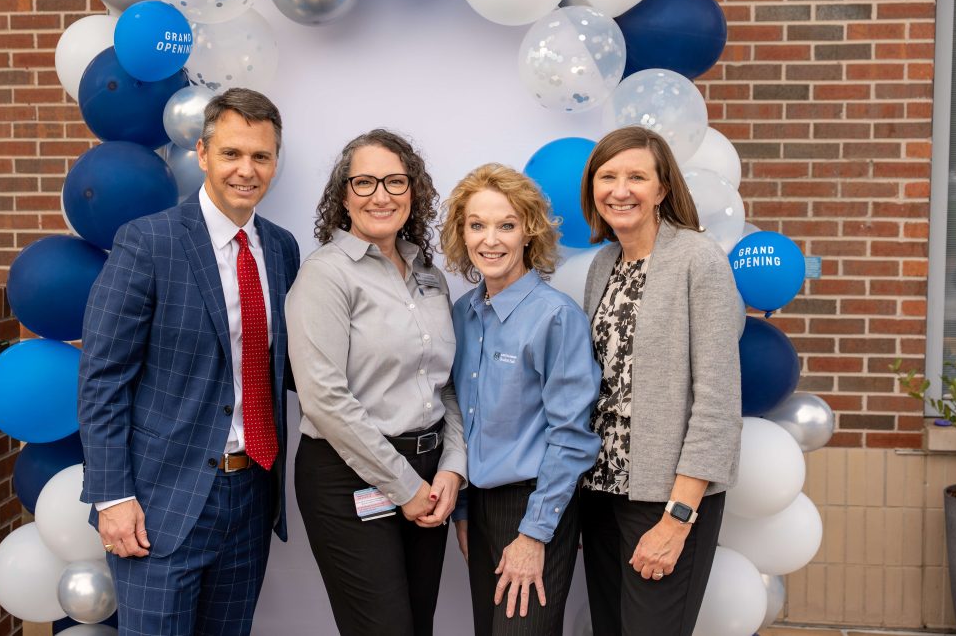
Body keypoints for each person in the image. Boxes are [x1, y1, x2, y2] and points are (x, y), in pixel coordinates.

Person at [78, 88, 299, 636]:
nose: (246, 170)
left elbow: (289, 367)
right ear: (202, 154)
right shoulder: (147, 243)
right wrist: (114, 497)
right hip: (158, 503)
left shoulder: (281, 249)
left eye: (261, 156)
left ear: (275, 163)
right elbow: (103, 378)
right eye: (231, 153)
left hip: (250, 495)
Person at [285, 129, 467, 636]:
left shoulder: (429, 273)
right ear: (343, 195)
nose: (380, 196)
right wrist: (404, 485)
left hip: (430, 474)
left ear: (414, 191)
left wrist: (452, 466)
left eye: (394, 181)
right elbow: (323, 401)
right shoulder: (326, 275)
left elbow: (445, 383)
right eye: (363, 183)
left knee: (417, 625)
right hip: (349, 475)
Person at [577, 126, 744, 636]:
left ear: (663, 189)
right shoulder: (604, 264)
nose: (619, 189)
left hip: (664, 499)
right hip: (600, 491)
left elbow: (717, 401)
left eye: (636, 177)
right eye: (607, 176)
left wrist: (677, 517)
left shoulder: (698, 260)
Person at [441, 163, 601, 635]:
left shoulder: (556, 318)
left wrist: (534, 534)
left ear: (528, 232)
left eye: (506, 225)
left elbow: (572, 437)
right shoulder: (463, 313)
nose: (491, 240)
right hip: (480, 507)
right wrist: (466, 511)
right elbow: (462, 415)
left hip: (535, 505)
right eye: (477, 225)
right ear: (462, 234)